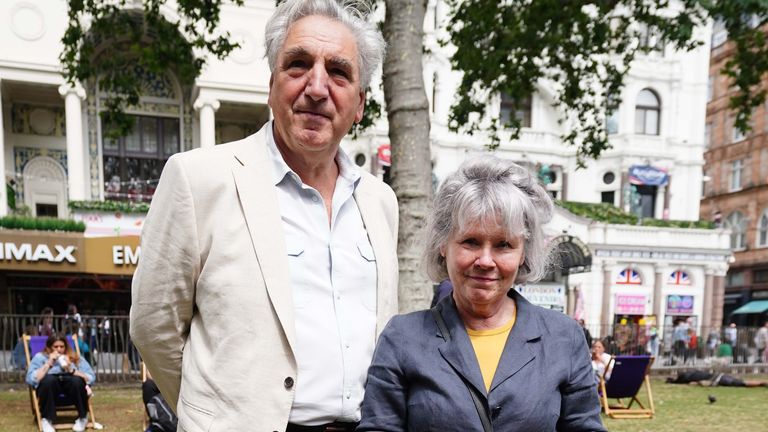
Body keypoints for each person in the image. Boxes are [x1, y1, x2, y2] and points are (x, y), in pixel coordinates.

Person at [129, 1, 397, 431]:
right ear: (272, 84)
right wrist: (214, 414)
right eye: (298, 64)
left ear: (360, 103)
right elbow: (152, 326)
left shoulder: (380, 201)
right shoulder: (199, 179)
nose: (316, 87)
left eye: (339, 72)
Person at [358, 156, 605, 431]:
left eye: (503, 244)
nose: (485, 261)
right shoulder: (402, 338)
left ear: (523, 252)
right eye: (471, 241)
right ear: (443, 245)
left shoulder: (564, 338)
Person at [25, 334, 95, 432]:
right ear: (49, 348)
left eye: (62, 347)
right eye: (55, 347)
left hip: (71, 392)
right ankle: (47, 419)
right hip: (50, 392)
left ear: (66, 347)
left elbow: (91, 377)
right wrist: (49, 363)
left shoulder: (73, 357)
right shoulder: (40, 358)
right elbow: (30, 379)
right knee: (48, 380)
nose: (59, 349)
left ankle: (82, 418)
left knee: (77, 381)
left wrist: (72, 370)